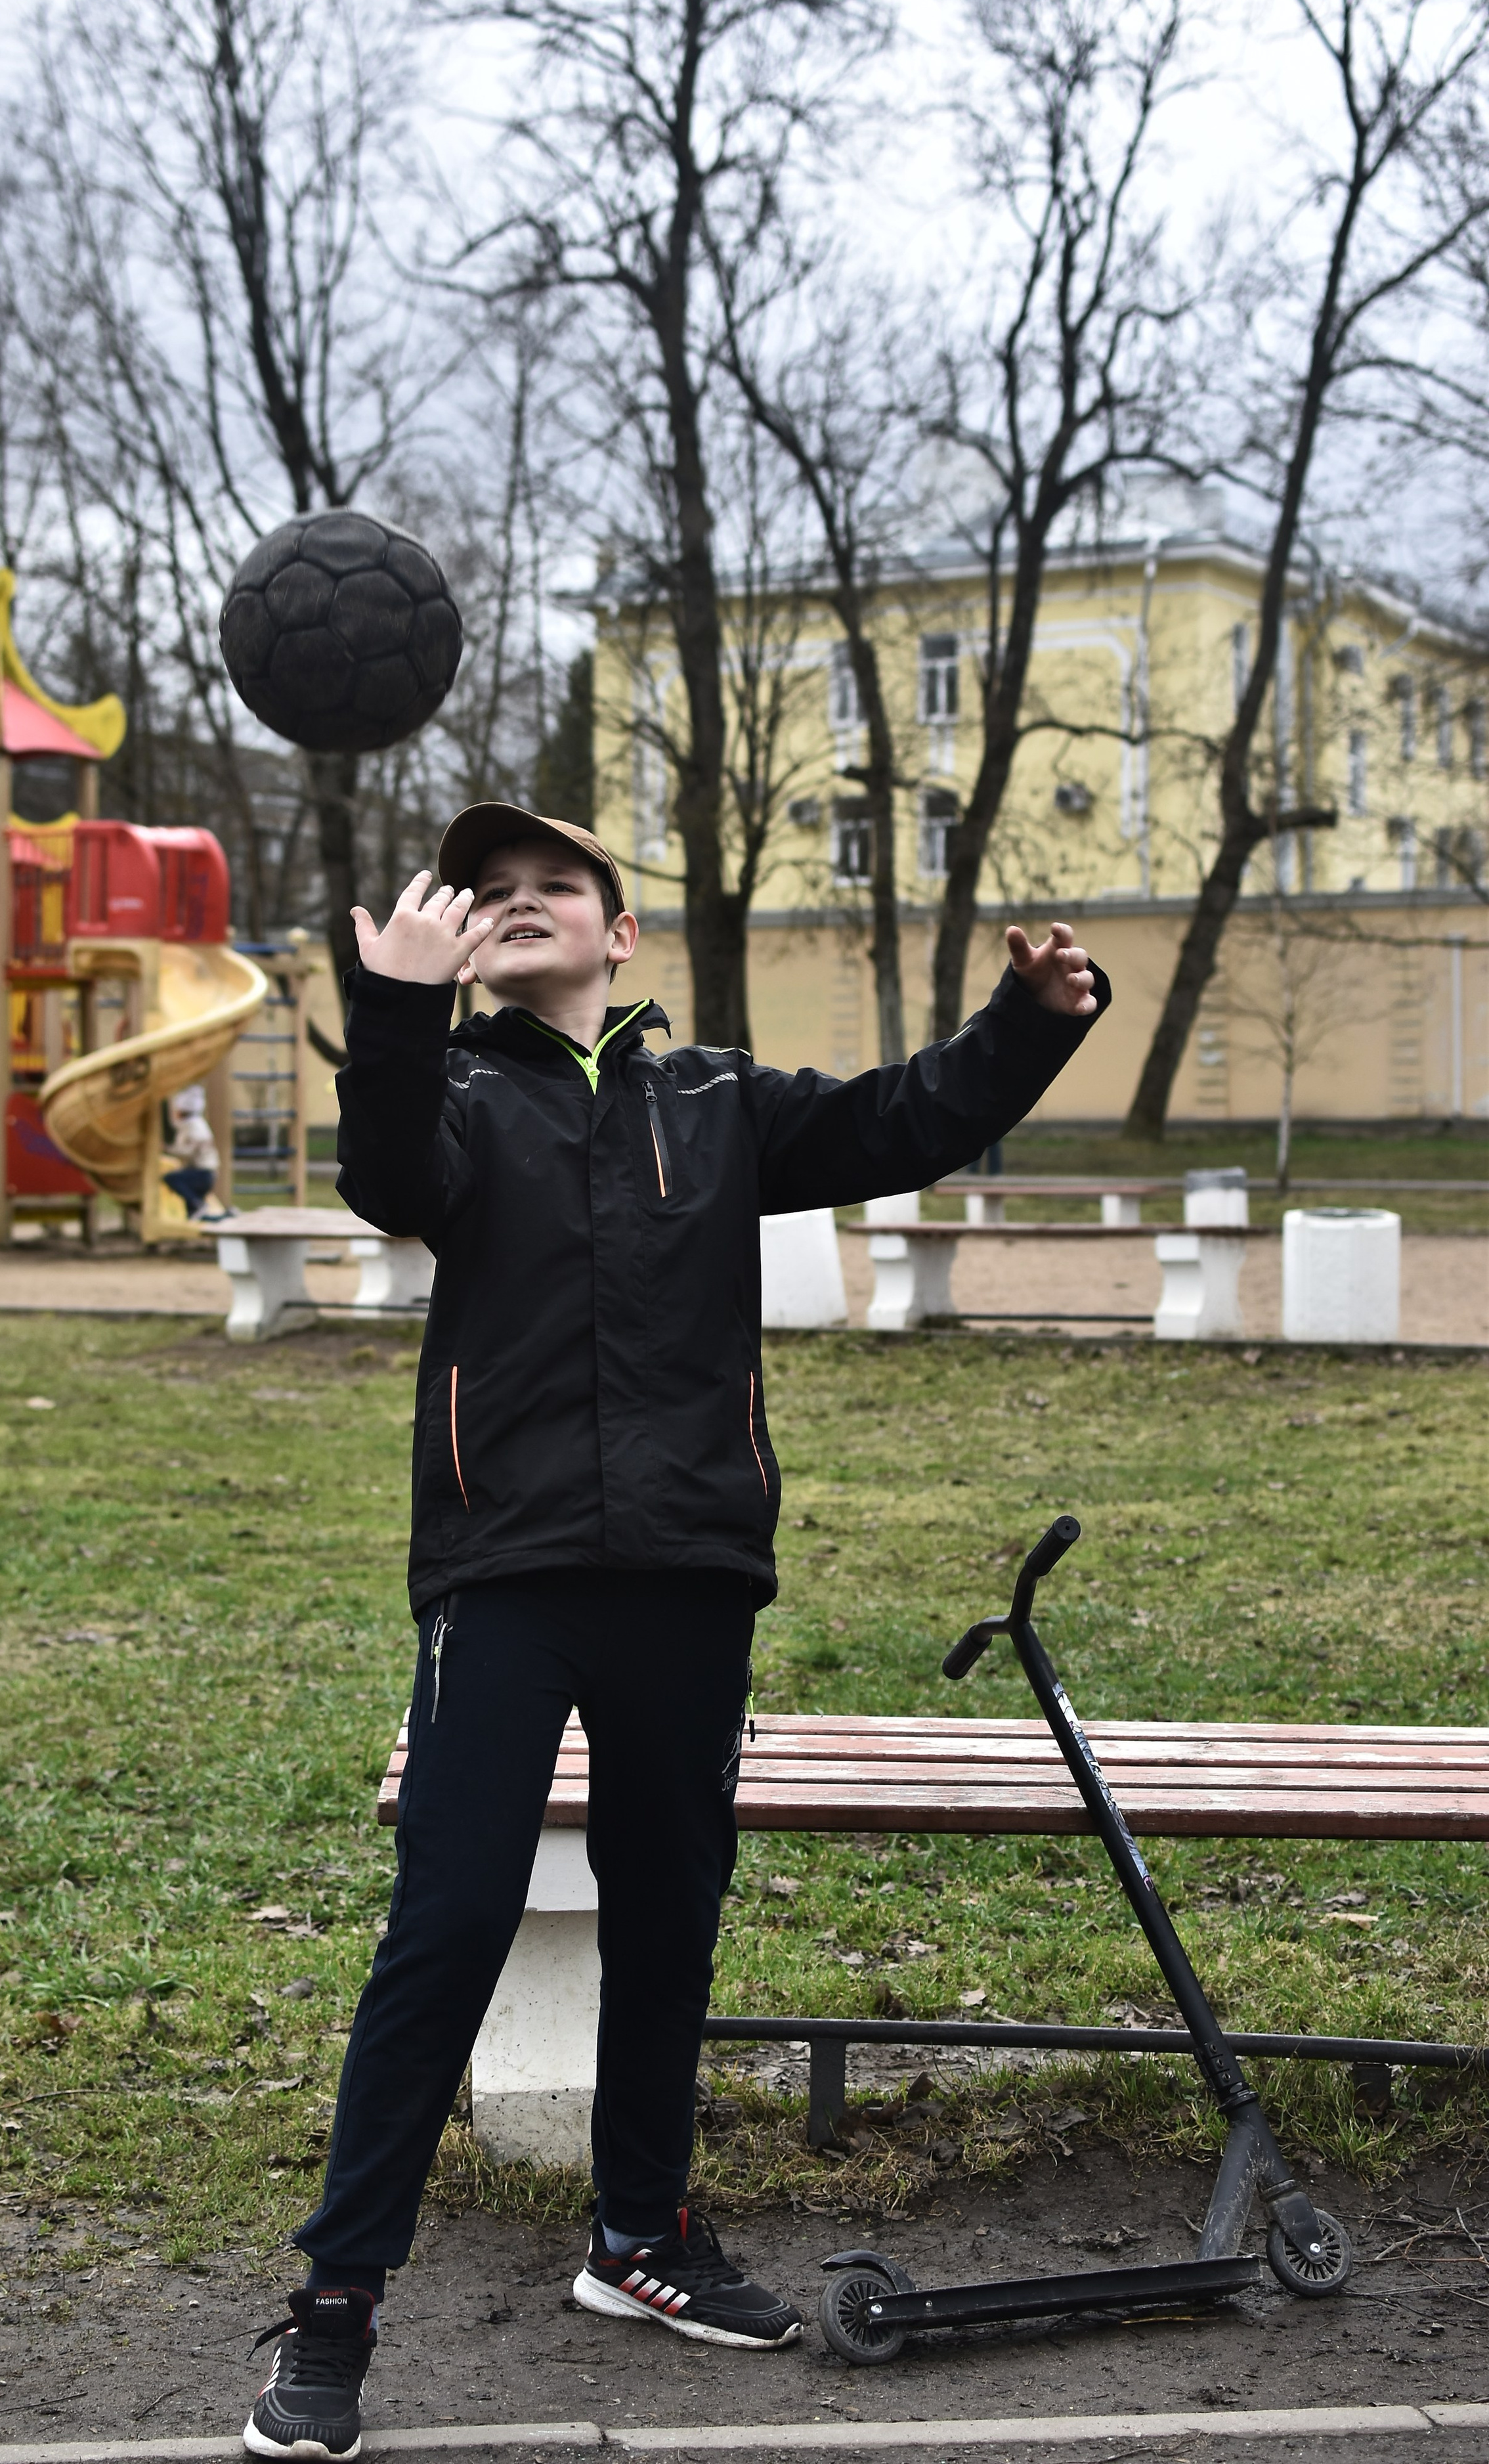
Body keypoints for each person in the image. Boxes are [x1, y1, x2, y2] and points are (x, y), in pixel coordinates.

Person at [242, 802, 1110, 2462]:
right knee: (445, 1922)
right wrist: (398, 1007)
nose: (513, 904)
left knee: (665, 1917)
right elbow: (380, 1180)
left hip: (690, 1572)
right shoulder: (457, 1092)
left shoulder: (711, 1099)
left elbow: (903, 1122)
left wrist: (1027, 1021)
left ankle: (638, 2239)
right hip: (502, 1574)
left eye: (548, 886)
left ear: (620, 933)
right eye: (486, 893)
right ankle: (337, 2304)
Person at [162, 1085, 229, 1223]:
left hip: (202, 1173)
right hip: (206, 1172)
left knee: (172, 1179)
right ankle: (209, 1214)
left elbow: (189, 1150)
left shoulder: (192, 1126)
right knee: (194, 1214)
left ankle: (198, 1204)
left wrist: (168, 1149)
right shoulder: (197, 1124)